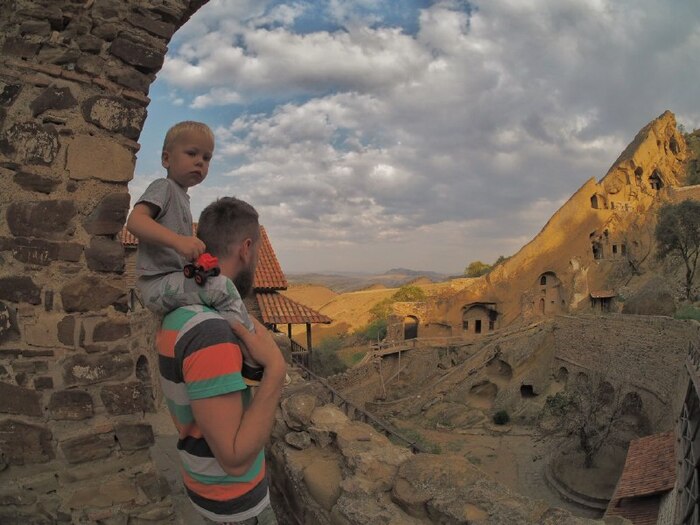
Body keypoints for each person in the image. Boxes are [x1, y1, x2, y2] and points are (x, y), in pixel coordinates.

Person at [158, 196, 286, 524]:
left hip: (204, 489)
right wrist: (276, 370)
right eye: (257, 252)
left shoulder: (179, 314)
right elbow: (234, 459)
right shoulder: (210, 332)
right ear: (246, 248)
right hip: (235, 505)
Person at [126, 121, 261, 379]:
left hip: (171, 281)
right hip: (157, 284)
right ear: (166, 159)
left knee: (214, 287)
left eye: (206, 158)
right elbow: (135, 221)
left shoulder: (181, 197)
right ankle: (251, 354)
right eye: (192, 153)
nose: (200, 162)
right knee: (223, 288)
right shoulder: (163, 187)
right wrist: (179, 241)